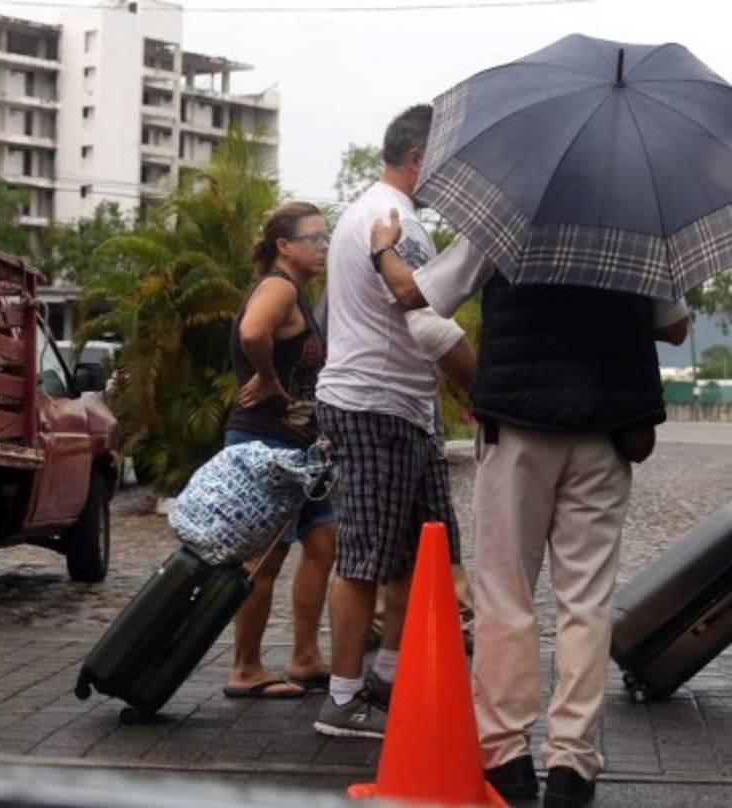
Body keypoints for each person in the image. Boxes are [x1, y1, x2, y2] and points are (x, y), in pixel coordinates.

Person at [368, 214, 688, 806]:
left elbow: (419, 293)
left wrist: (383, 249)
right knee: (586, 602)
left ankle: (506, 756)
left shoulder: (505, 216)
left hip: (517, 425)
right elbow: (675, 327)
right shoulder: (640, 224)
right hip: (606, 429)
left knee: (506, 595)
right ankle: (573, 764)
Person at [311, 105, 475, 739]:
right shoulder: (393, 222)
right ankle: (344, 698)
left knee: (414, 552)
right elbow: (417, 307)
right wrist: (477, 386)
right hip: (373, 405)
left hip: (400, 406)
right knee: (364, 556)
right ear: (417, 159)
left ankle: (384, 677)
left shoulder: (378, 214)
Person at [222, 202, 334, 699]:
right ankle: (245, 667)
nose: (324, 246)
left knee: (323, 540)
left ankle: (305, 656)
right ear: (285, 246)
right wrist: (266, 376)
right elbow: (251, 332)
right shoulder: (280, 286)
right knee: (265, 559)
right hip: (266, 441)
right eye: (314, 238)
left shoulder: (299, 294)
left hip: (301, 448)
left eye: (326, 238)